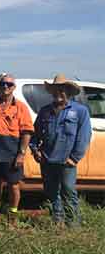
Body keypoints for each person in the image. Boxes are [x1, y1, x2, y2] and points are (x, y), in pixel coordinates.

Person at [30, 74, 91, 228]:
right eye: (56, 89)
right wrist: (35, 150)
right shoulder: (45, 111)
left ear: (69, 91)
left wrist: (74, 158)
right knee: (51, 193)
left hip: (66, 161)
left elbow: (84, 136)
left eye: (63, 89)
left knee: (68, 192)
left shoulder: (80, 111)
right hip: (47, 159)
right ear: (52, 91)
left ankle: (73, 225)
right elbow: (35, 134)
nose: (59, 92)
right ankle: (57, 222)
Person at [0, 74, 34, 224]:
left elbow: (26, 132)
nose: (5, 87)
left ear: (14, 88)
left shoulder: (21, 107)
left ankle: (13, 215)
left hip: (12, 150)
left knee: (14, 185)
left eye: (9, 85)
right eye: (3, 84)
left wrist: (21, 154)